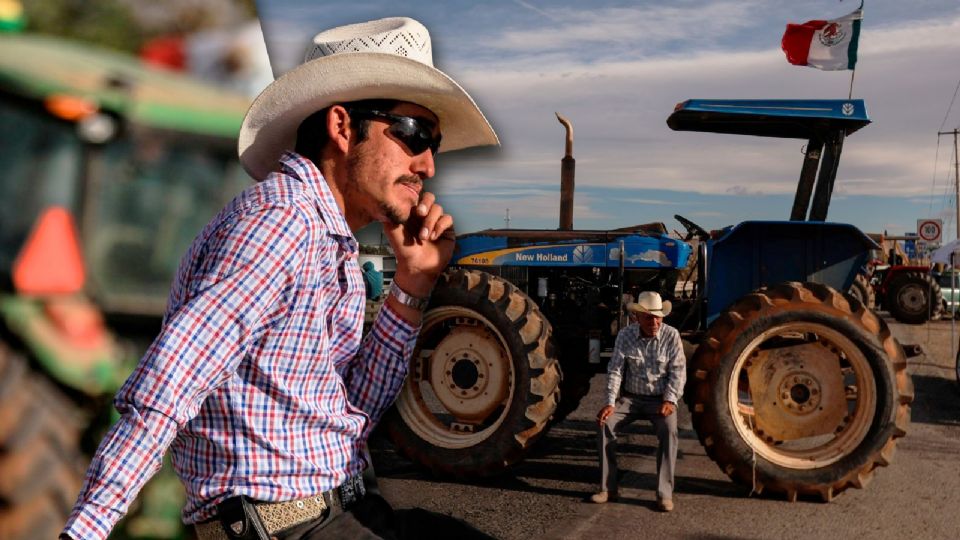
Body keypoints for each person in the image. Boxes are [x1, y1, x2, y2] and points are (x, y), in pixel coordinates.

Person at [61, 17, 498, 540]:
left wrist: (412, 286)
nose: (428, 164)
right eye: (413, 134)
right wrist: (84, 531)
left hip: (339, 510)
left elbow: (351, 409)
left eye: (434, 143)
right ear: (341, 128)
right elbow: (171, 379)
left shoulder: (327, 242)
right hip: (288, 525)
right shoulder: (280, 225)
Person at [591, 291, 686, 512]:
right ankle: (608, 488)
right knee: (605, 424)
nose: (654, 322)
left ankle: (664, 493)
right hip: (630, 399)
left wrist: (670, 400)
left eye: (658, 316)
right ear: (638, 318)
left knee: (669, 430)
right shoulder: (625, 336)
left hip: (660, 399)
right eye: (649, 317)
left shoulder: (672, 336)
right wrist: (610, 402)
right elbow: (615, 370)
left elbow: (678, 372)